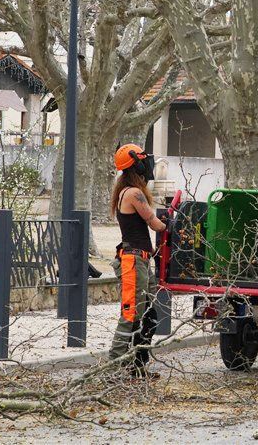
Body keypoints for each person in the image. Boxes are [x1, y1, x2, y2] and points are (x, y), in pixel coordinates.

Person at [109, 143, 166, 377]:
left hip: (141, 260)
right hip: (133, 262)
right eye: (143, 160)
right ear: (137, 165)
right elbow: (155, 223)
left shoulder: (128, 191)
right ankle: (113, 366)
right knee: (131, 314)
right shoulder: (134, 193)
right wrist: (172, 223)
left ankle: (136, 366)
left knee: (149, 314)